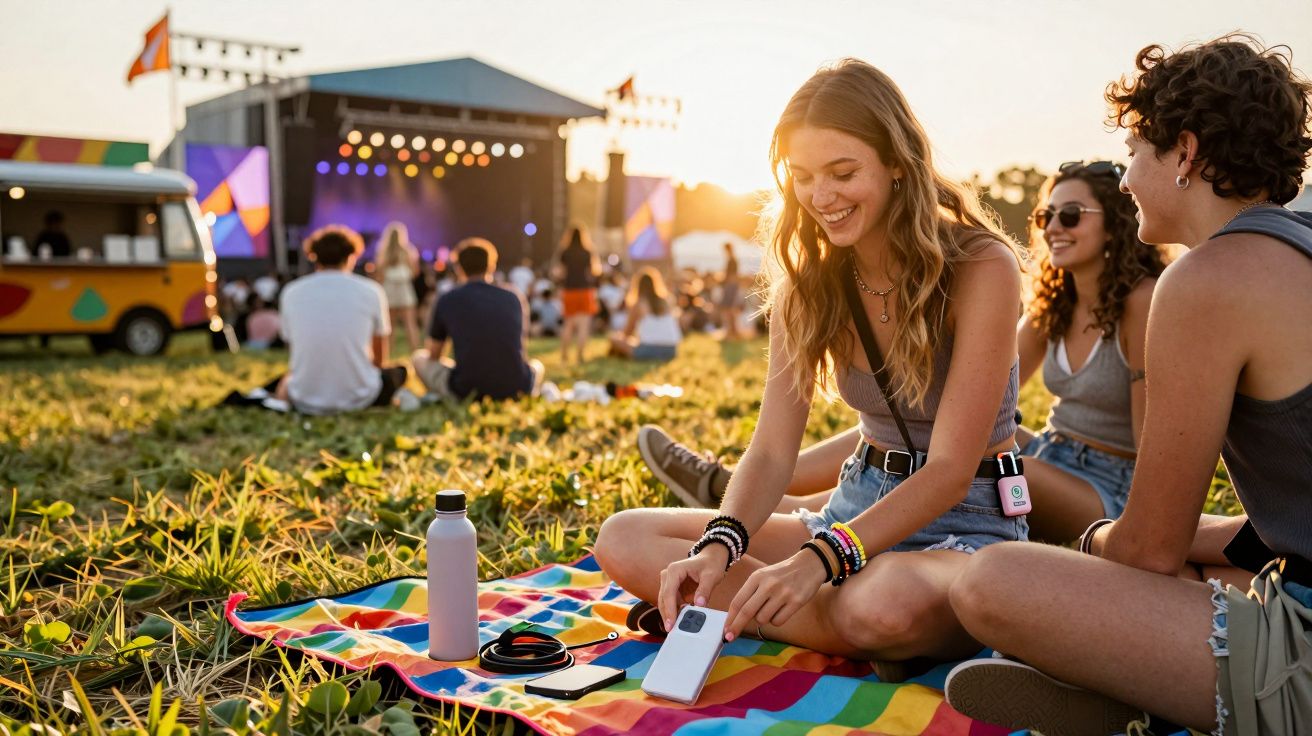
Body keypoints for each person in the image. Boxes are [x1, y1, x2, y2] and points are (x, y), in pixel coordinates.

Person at [594, 59, 1026, 678]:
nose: (821, 197)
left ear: (897, 161)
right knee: (625, 538)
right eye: (802, 177)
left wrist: (819, 561)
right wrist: (722, 544)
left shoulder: (981, 266)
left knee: (880, 607)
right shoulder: (809, 282)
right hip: (851, 505)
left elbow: (953, 470)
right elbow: (772, 453)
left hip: (965, 521)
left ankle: (769, 615)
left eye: (843, 173)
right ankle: (817, 619)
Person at [943, 36, 1312, 736]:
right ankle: (1130, 695)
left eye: (1137, 151)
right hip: (1290, 579)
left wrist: (1088, 547)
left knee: (993, 579)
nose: (1129, 176)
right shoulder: (1300, 246)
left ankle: (1130, 698)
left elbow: (1147, 550)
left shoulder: (1207, 280)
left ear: (1188, 154)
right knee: (1195, 577)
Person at [639, 161, 1167, 545]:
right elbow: (992, 391)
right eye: (1046, 212)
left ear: (1117, 223)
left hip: (1109, 487)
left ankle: (734, 490)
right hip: (1050, 453)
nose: (1053, 225)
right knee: (930, 433)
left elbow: (1151, 449)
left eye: (1071, 214)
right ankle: (754, 494)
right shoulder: (1057, 305)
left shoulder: (1141, 304)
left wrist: (1131, 539)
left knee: (971, 454)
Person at [276, 225, 406, 415]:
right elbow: (379, 358)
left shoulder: (291, 292)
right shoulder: (371, 291)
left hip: (303, 397)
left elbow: (293, 350)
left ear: (313, 257)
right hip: (362, 397)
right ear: (351, 256)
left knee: (285, 379)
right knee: (400, 372)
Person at [412, 238, 544, 401]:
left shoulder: (448, 299)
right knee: (537, 366)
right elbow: (519, 349)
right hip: (517, 386)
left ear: (458, 268)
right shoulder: (513, 297)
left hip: (467, 389)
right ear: (492, 266)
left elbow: (434, 354)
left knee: (418, 358)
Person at [608, 267, 682, 361]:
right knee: (634, 342)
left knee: (614, 339)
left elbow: (626, 333)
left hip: (649, 350)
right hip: (671, 350)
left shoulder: (639, 304)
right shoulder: (666, 302)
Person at [556, 225, 601, 364]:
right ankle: (579, 356)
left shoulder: (565, 252)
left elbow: (559, 272)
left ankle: (564, 355)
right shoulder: (587, 252)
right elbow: (594, 271)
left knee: (568, 324)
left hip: (569, 290)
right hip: (584, 290)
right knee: (583, 325)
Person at [374, 222, 422, 352]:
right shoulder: (408, 250)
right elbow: (415, 271)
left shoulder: (382, 251)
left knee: (390, 326)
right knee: (410, 324)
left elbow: (379, 274)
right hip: (404, 289)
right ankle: (415, 354)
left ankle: (387, 354)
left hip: (389, 290)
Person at [718, 243, 744, 340]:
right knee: (730, 309)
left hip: (730, 286)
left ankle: (731, 331)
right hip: (732, 286)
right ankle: (733, 331)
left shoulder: (731, 260)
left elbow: (730, 276)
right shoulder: (733, 259)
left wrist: (722, 280)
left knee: (729, 309)